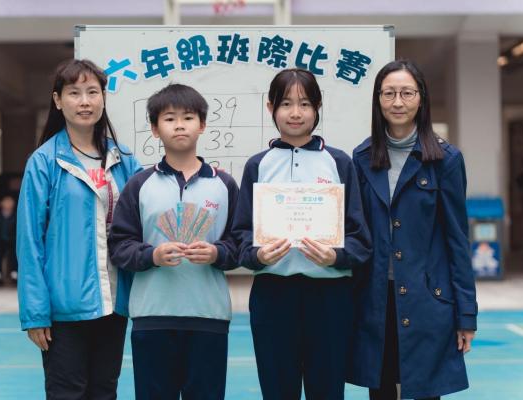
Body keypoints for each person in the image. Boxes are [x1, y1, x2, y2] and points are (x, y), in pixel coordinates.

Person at [232, 68, 372, 399]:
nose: (295, 113)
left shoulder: (339, 162)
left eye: (305, 104)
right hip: (273, 293)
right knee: (278, 389)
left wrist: (336, 256)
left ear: (317, 107)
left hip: (330, 296)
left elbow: (360, 237)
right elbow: (240, 234)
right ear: (271, 108)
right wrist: (257, 255)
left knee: (327, 389)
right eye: (286, 104)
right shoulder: (258, 165)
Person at [347, 59, 477, 400]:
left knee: (426, 392)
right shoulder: (361, 158)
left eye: (407, 93)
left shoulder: (446, 160)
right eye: (389, 93)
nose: (398, 102)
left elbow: (457, 240)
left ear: (421, 98)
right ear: (378, 99)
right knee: (381, 391)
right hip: (375, 298)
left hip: (428, 299)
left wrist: (466, 314)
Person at [16, 58, 142, 399]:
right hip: (64, 308)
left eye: (92, 92)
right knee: (67, 392)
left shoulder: (124, 160)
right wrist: (36, 313)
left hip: (114, 301)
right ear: (58, 101)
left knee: (104, 391)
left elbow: (144, 218)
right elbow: (29, 242)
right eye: (74, 93)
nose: (84, 101)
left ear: (103, 97)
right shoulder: (44, 162)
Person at [108, 83, 239, 400]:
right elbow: (119, 245)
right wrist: (151, 256)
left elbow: (241, 244)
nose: (179, 125)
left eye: (188, 117)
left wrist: (217, 252)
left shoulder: (224, 184)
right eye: (169, 118)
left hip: (209, 316)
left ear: (202, 125)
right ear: (155, 129)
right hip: (152, 317)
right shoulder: (139, 184)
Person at [0, 195, 17, 286]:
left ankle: (15, 275)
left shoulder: (16, 215)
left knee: (14, 257)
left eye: (10, 202)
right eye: (6, 202)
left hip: (12, 241)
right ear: (1, 203)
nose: (8, 204)